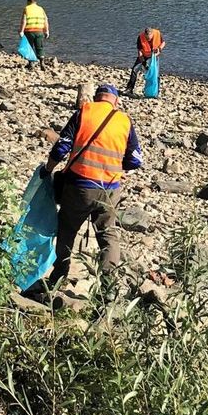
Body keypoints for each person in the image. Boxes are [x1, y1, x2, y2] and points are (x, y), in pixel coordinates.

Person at [42, 84, 142, 297]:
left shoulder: (84, 112)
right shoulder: (124, 121)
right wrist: (116, 166)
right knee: (108, 234)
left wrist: (48, 169)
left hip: (80, 186)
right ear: (115, 101)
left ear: (96, 98)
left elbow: (62, 147)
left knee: (67, 229)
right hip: (110, 189)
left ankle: (59, 275)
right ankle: (108, 288)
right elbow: (135, 160)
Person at [125, 27, 165, 95]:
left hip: (154, 56)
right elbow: (139, 52)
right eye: (147, 38)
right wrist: (143, 63)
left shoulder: (158, 33)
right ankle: (129, 89)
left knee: (156, 73)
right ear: (145, 34)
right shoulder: (140, 37)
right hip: (143, 55)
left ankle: (156, 92)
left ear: (152, 34)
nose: (148, 39)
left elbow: (163, 43)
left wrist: (159, 49)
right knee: (134, 70)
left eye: (150, 38)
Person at [18, 0, 49, 69]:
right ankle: (42, 63)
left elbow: (24, 21)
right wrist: (47, 31)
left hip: (29, 31)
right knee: (40, 47)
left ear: (28, 2)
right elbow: (46, 20)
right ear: (35, 2)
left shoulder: (27, 8)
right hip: (39, 31)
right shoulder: (40, 9)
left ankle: (31, 64)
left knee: (29, 47)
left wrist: (21, 31)